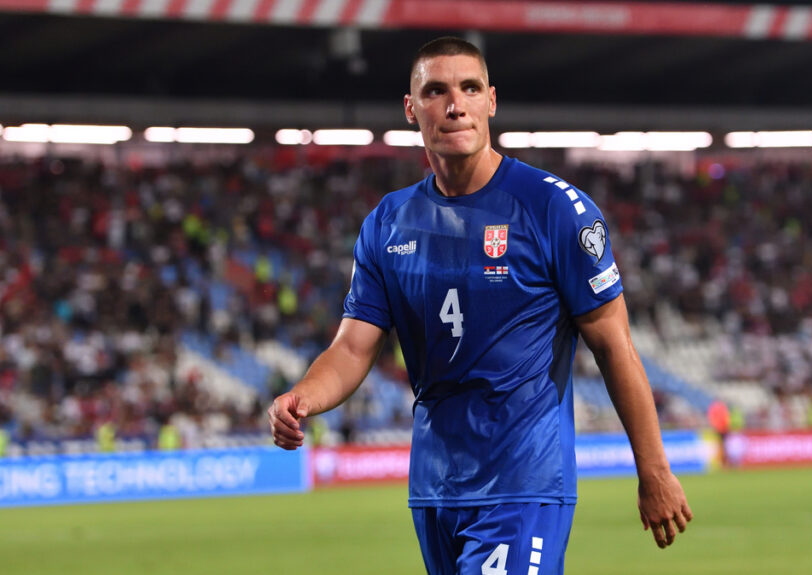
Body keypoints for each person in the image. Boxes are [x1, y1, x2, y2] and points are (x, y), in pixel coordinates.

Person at [268, 36, 693, 574]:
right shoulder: (388, 222)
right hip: (435, 487)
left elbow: (614, 345)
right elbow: (353, 347)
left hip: (523, 481)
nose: (454, 105)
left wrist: (653, 468)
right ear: (411, 108)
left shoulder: (553, 209)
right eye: (436, 91)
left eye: (470, 88)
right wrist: (302, 397)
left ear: (491, 100)